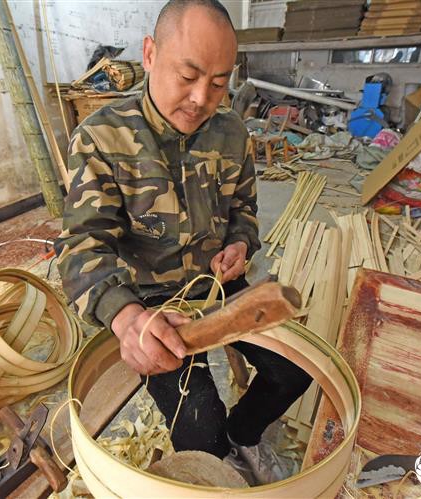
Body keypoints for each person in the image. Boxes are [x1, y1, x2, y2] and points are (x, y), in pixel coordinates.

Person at [55, 0, 311, 485]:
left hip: (218, 287)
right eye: (188, 75)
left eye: (218, 83)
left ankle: (245, 433)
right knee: (199, 429)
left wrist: (241, 243)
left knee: (295, 370)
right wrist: (124, 316)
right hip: (153, 303)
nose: (200, 98)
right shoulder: (102, 138)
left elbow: (245, 209)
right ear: (150, 54)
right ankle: (217, 456)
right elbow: (81, 245)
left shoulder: (232, 132)